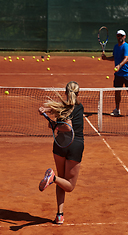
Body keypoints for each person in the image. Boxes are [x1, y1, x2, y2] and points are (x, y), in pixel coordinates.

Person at [38, 81, 84, 225]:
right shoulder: (79, 107)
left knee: (61, 181)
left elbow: (56, 124)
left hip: (59, 146)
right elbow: (68, 127)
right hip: (74, 146)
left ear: (65, 92)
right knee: (69, 185)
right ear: (78, 93)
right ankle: (53, 177)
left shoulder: (61, 107)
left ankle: (59, 215)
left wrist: (45, 112)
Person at [102, 29, 128, 117]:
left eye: (121, 35)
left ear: (124, 37)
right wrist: (106, 58)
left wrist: (119, 66)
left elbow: (126, 58)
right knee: (117, 92)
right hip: (118, 74)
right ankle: (117, 109)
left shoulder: (126, 46)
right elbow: (114, 57)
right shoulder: (116, 47)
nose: (120, 37)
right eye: (118, 35)